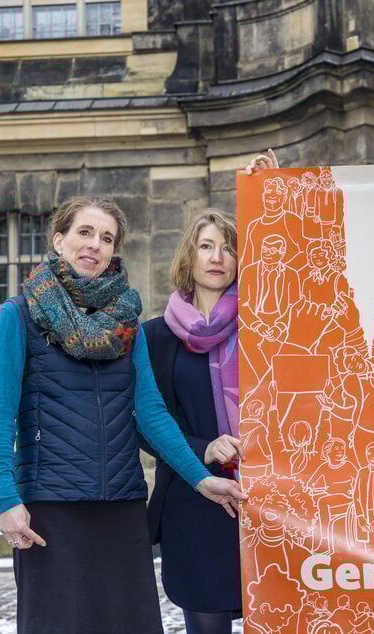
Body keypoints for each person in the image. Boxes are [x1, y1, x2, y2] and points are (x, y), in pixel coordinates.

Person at [0, 197, 245, 634]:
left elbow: (152, 415)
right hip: (52, 506)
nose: (95, 245)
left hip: (122, 505)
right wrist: (7, 500)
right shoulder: (18, 316)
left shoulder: (126, 324)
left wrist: (200, 478)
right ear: (58, 239)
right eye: (85, 233)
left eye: (106, 238)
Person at [143, 209, 245, 634]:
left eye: (227, 248)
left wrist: (274, 187)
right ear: (189, 256)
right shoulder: (156, 337)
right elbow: (146, 421)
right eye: (206, 246)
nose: (217, 257)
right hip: (195, 498)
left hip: (268, 494)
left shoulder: (269, 326)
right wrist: (203, 445)